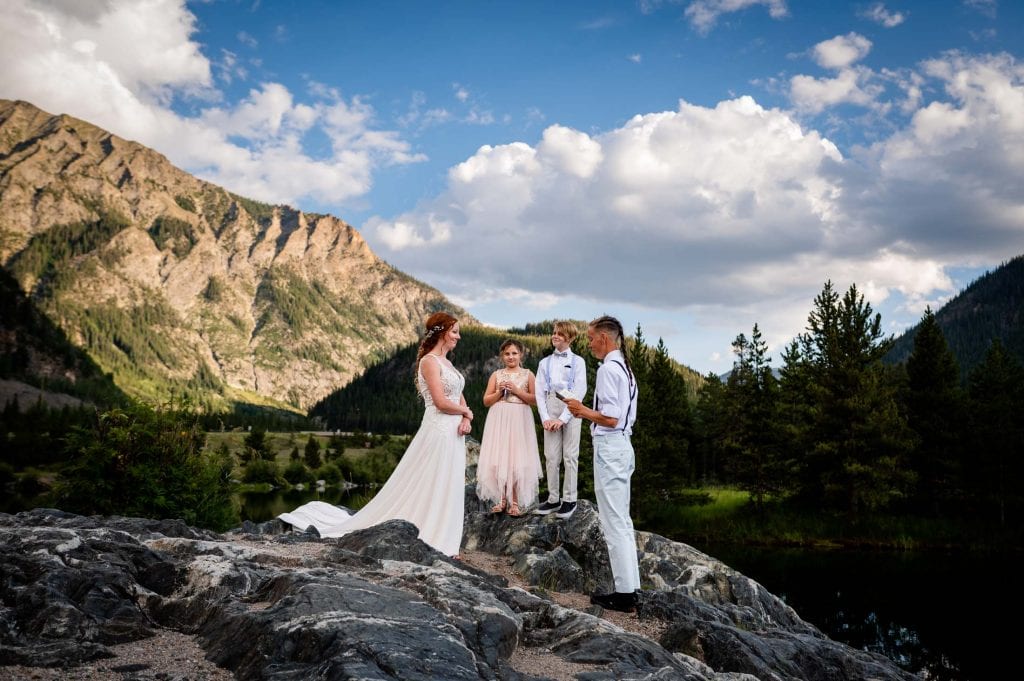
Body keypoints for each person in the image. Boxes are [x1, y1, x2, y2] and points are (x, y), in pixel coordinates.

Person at [278, 312, 472, 557]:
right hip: (438, 429)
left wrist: (466, 417)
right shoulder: (429, 362)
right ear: (442, 332)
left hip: (454, 432)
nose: (458, 336)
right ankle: (434, 536)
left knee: (449, 481)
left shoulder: (449, 364)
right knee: (433, 479)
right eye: (454, 331)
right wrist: (466, 412)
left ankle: (446, 536)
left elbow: (459, 397)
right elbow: (441, 402)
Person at [564, 315, 641, 613]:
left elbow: (610, 417)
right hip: (622, 446)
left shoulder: (609, 370)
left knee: (613, 522)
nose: (589, 342)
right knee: (622, 520)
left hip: (610, 447)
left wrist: (581, 410)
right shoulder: (625, 368)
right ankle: (630, 588)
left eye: (591, 337)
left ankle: (623, 594)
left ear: (605, 339)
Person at [476, 339, 543, 517]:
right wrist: (499, 392)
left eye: (514, 353)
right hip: (499, 419)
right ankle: (501, 499)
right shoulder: (496, 375)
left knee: (516, 459)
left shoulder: (528, 374)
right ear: (502, 356)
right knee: (500, 458)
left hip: (520, 420)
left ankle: (515, 502)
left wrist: (516, 390)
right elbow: (486, 401)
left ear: (521, 354)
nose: (511, 357)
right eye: (507, 353)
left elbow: (536, 400)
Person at [534, 321, 587, 519]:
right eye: (554, 333)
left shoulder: (578, 362)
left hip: (572, 408)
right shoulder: (544, 362)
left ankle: (570, 499)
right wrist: (546, 418)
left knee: (570, 456)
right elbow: (539, 393)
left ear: (570, 338)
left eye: (560, 334)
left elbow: (580, 390)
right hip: (551, 406)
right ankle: (553, 498)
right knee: (551, 456)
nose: (555, 336)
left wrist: (564, 418)